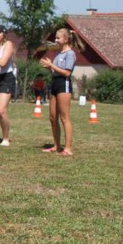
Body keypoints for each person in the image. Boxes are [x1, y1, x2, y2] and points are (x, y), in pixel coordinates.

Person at [40, 27, 83, 157]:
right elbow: (55, 71)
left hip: (63, 85)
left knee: (64, 117)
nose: (56, 40)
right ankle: (56, 145)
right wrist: (49, 67)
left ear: (66, 39)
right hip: (54, 83)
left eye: (58, 38)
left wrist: (52, 65)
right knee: (53, 117)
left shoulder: (70, 54)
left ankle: (68, 148)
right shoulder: (59, 54)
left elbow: (67, 73)